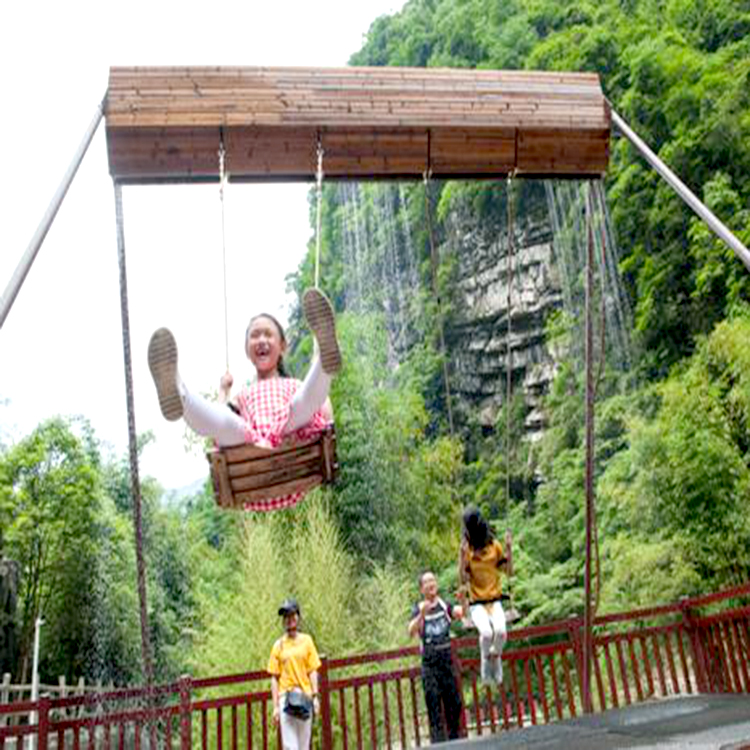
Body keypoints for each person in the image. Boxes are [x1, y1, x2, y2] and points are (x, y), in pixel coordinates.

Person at [147, 288, 341, 509]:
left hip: (290, 434)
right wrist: (223, 390)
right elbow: (218, 422)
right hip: (252, 442)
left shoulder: (295, 386)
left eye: (268, 334)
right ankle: (178, 391)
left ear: (283, 347)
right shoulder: (243, 395)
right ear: (247, 350)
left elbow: (321, 412)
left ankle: (323, 360)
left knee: (301, 406)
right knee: (227, 423)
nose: (261, 340)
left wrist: (325, 407)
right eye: (255, 335)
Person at [409, 571, 464, 743]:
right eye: (427, 582)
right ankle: (438, 744)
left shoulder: (443, 604)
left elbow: (461, 613)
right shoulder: (418, 608)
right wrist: (422, 615)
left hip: (447, 662)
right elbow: (410, 631)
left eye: (433, 580)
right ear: (421, 588)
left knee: (454, 704)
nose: (431, 584)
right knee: (433, 707)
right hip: (430, 665)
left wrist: (464, 598)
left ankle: (455, 741)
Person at [458, 507, 509, 686]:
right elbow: (464, 580)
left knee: (501, 632)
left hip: (495, 600)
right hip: (477, 603)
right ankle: (486, 666)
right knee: (487, 634)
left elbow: (508, 571)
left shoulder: (495, 546)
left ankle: (494, 658)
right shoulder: (468, 551)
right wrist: (461, 558)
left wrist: (509, 551)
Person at [267, 598, 321, 750]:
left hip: (305, 697)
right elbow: (274, 677)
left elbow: (312, 670)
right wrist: (275, 706)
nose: (289, 620)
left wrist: (315, 697)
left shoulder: (307, 641)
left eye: (292, 615)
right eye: (285, 617)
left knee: (304, 745)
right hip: (286, 699)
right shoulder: (278, 645)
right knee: (290, 746)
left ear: (298, 617)